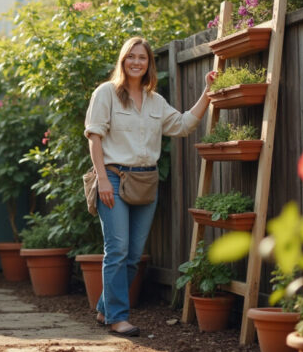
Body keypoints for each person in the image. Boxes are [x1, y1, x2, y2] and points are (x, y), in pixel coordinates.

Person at [84, 36, 216, 336]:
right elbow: (94, 137)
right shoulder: (106, 93)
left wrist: (208, 93)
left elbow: (182, 125)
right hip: (114, 178)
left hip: (146, 181)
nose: (136, 62)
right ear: (122, 61)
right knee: (116, 249)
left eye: (142, 57)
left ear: (149, 64)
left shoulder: (156, 101)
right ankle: (118, 317)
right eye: (130, 56)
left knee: (132, 256)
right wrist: (102, 179)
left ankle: (105, 309)